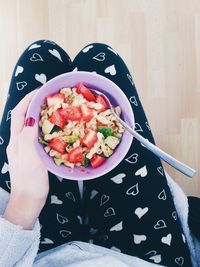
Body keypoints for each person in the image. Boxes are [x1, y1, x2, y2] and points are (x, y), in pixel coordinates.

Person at [0, 40, 199, 267]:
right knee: (99, 56)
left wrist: (25, 203)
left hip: (35, 254)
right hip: (147, 260)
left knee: (42, 54)